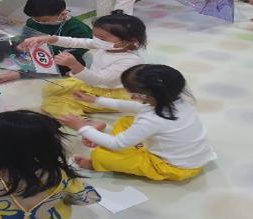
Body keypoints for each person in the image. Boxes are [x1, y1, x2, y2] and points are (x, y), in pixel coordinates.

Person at [59, 64, 216, 181]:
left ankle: (94, 162)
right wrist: (95, 100)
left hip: (173, 166)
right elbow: (136, 108)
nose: (129, 95)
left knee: (101, 156)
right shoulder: (176, 100)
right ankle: (100, 137)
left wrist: (82, 127)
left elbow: (117, 144)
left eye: (130, 92)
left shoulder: (152, 119)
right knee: (127, 120)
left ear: (142, 96)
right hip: (188, 154)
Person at [19, 10, 145, 119]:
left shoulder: (129, 60)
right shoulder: (104, 44)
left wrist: (74, 65)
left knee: (54, 103)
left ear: (126, 42)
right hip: (91, 83)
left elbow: (99, 79)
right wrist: (48, 39)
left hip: (111, 93)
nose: (95, 40)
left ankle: (85, 123)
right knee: (51, 88)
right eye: (94, 35)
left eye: (101, 38)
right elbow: (75, 42)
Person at [0, 0, 92, 84]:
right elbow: (25, 37)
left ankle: (22, 73)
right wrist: (21, 46)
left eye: (44, 20)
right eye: (36, 20)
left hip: (57, 56)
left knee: (69, 63)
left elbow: (75, 52)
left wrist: (46, 53)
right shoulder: (32, 22)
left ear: (62, 14)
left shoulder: (78, 29)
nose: (39, 22)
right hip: (35, 51)